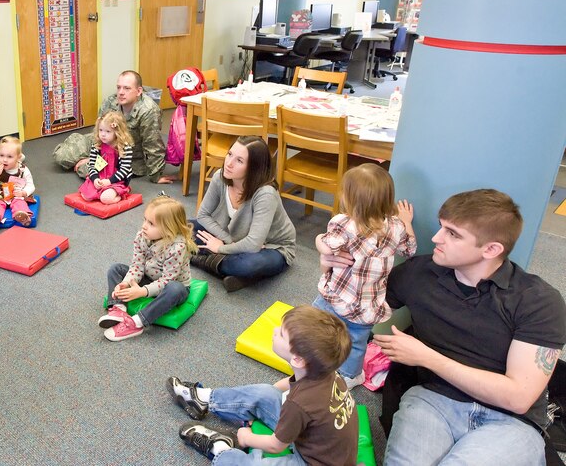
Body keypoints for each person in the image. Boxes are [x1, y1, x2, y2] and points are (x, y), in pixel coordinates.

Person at [319, 189, 566, 464]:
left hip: (511, 421)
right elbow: (351, 305)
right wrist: (328, 256)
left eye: (453, 234)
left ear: (491, 249)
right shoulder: (419, 273)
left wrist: (425, 357)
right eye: (441, 227)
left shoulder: (538, 300)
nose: (436, 238)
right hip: (432, 401)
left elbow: (518, 398)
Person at [168, 305, 358, 465]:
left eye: (282, 334)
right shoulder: (325, 372)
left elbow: (276, 446)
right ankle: (203, 399)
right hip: (317, 439)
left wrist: (246, 437)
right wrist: (261, 401)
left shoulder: (299, 403)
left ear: (298, 359)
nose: (275, 331)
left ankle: (221, 449)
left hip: (313, 461)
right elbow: (288, 385)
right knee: (266, 392)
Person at [312, 164, 416, 389]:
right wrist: (407, 222)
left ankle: (317, 357)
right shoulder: (396, 227)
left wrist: (318, 238)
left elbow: (327, 248)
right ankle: (351, 376)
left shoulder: (344, 224)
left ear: (350, 199)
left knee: (316, 323)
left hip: (337, 296)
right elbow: (410, 251)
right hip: (367, 306)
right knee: (356, 343)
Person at [191, 136, 296, 292]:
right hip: (233, 235)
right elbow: (203, 215)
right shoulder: (220, 177)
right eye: (230, 154)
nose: (229, 163)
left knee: (247, 265)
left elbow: (254, 245)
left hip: (272, 247)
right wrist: (229, 241)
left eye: (239, 161)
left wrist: (220, 248)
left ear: (253, 168)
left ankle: (200, 257)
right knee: (184, 226)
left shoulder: (266, 194)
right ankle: (229, 270)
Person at [100, 195, 197, 341]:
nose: (144, 225)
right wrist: (126, 283)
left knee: (175, 289)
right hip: (148, 278)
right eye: (145, 219)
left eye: (151, 223)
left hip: (170, 287)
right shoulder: (142, 236)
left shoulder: (177, 247)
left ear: (169, 228)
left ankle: (136, 322)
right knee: (116, 269)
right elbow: (137, 266)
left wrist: (142, 292)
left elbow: (167, 281)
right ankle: (118, 309)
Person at [53, 70, 169, 183]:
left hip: (126, 157)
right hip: (103, 142)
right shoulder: (111, 101)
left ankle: (84, 163)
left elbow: (153, 145)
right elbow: (99, 131)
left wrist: (156, 176)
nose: (121, 92)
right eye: (119, 87)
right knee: (61, 156)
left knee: (96, 175)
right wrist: (95, 155)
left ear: (139, 91)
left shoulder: (149, 111)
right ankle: (81, 150)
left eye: (127, 88)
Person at [78, 111, 134, 204]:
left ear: (117, 132)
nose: (103, 134)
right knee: (86, 196)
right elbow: (91, 165)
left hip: (116, 181)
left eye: (108, 131)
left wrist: (109, 181)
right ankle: (100, 192)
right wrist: (95, 179)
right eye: (100, 130)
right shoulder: (97, 146)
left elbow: (124, 170)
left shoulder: (124, 148)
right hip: (100, 178)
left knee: (106, 199)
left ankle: (121, 194)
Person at [0, 136, 35, 230]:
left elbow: (31, 185)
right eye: (1, 155)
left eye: (9, 156)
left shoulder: (23, 169)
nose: (4, 160)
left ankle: (21, 214)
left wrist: (23, 192)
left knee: (19, 202)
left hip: (16, 193)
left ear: (18, 157)